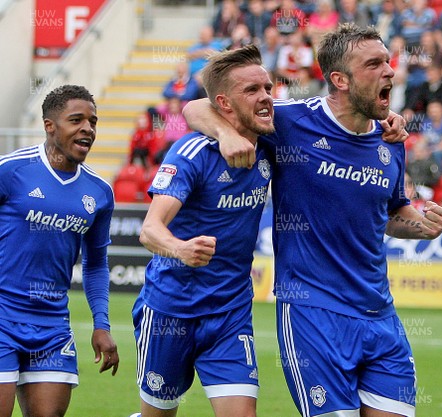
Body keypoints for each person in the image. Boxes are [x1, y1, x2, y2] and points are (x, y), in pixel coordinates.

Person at [183, 23, 442, 417]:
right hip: (312, 311)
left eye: (388, 62)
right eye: (374, 64)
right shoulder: (290, 122)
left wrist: (420, 225)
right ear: (339, 79)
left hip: (380, 315)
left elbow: (392, 213)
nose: (390, 72)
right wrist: (225, 133)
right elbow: (196, 107)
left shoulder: (389, 142)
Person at [132, 45, 275, 417]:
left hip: (230, 311)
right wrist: (180, 249)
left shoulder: (272, 138)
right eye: (253, 91)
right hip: (169, 309)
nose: (266, 98)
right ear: (225, 104)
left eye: (268, 88)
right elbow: (149, 230)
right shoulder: (192, 152)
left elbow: (194, 107)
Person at [0, 85, 119, 417]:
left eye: (93, 122)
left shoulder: (99, 192)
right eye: (76, 120)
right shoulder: (10, 171)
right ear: (50, 125)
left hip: (52, 325)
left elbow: (96, 264)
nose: (88, 129)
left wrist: (102, 324)